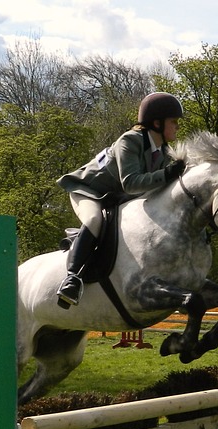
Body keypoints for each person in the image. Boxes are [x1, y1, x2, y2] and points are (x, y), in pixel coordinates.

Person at [54, 92, 187, 307]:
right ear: (157, 123)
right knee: (94, 220)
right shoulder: (130, 140)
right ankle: (72, 279)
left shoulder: (162, 152)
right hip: (87, 191)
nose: (177, 127)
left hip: (115, 198)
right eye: (173, 122)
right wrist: (167, 174)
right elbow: (131, 183)